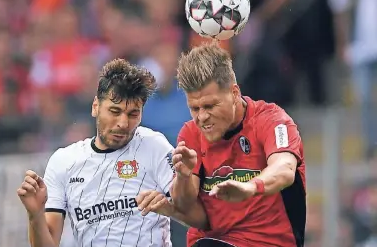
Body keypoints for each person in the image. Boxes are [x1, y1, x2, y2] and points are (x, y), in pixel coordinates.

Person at [16, 59, 206, 247]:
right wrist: (35, 216)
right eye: (114, 111)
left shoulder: (153, 146)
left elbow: (198, 218)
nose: (123, 123)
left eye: (133, 114)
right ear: (95, 107)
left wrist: (179, 185)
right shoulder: (64, 161)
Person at [137, 42, 307, 247]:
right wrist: (182, 177)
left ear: (234, 93)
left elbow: (285, 169)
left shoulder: (271, 120)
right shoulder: (191, 134)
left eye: (210, 106)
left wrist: (251, 187)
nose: (202, 117)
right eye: (194, 108)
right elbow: (194, 212)